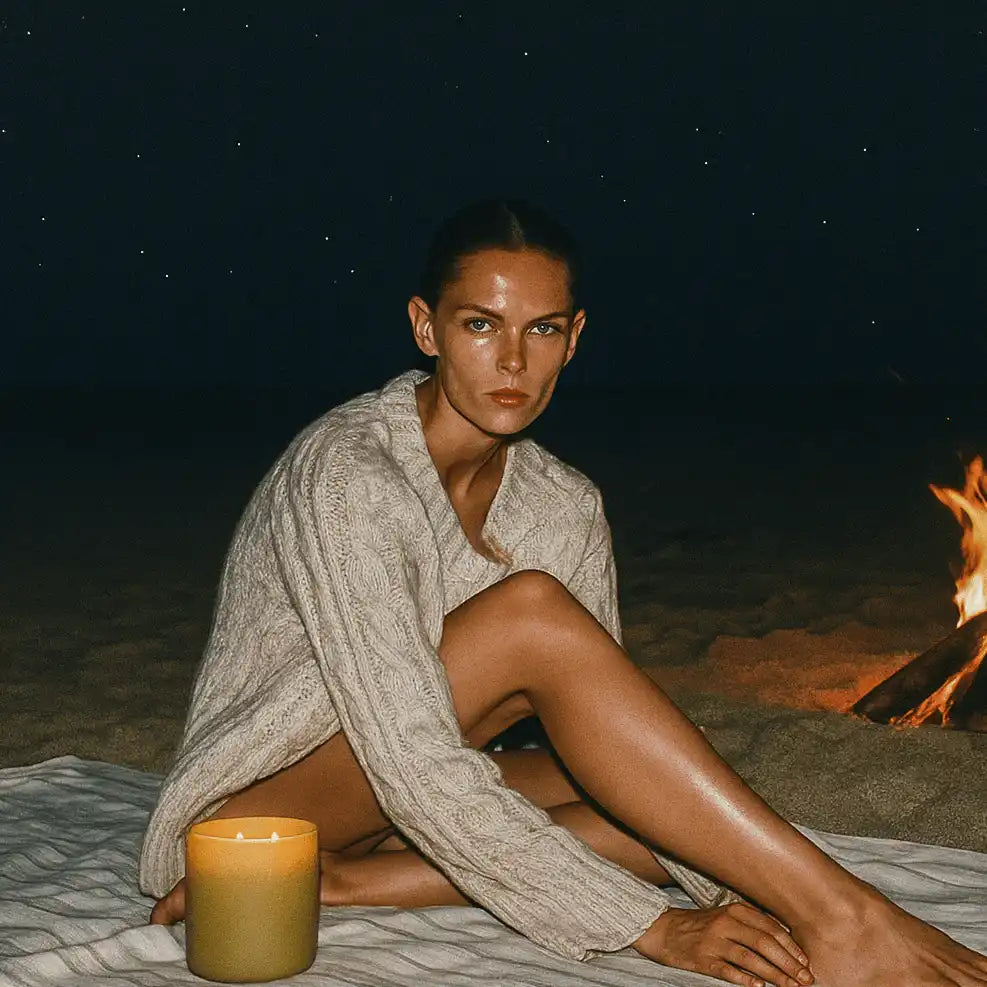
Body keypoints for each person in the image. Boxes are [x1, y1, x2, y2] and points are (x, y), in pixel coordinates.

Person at [142, 199, 987, 987]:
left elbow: (607, 738)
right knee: (530, 616)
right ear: (424, 327)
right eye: (480, 324)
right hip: (248, 829)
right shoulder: (347, 475)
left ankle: (354, 881)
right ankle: (847, 917)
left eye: (541, 329)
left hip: (386, 812)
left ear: (574, 338)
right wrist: (652, 926)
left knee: (671, 806)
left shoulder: (561, 502)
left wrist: (731, 895)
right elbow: (410, 757)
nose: (513, 360)